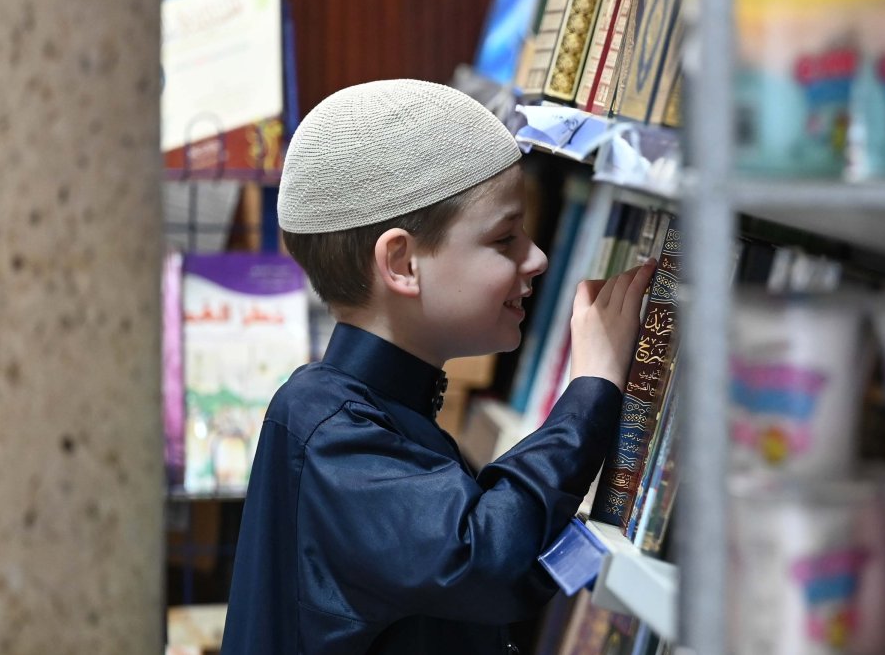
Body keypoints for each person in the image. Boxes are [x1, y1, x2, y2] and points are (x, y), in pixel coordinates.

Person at [221, 79, 655, 654]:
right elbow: (486, 560)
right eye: (504, 239)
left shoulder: (367, 415)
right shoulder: (330, 432)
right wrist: (591, 389)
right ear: (401, 262)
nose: (538, 257)